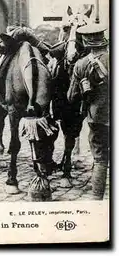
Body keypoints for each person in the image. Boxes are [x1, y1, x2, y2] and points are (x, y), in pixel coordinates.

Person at [67, 24, 110, 200]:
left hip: (96, 118)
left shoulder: (80, 64)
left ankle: (96, 199)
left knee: (100, 160)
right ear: (103, 38)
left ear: (85, 41)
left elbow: (71, 97)